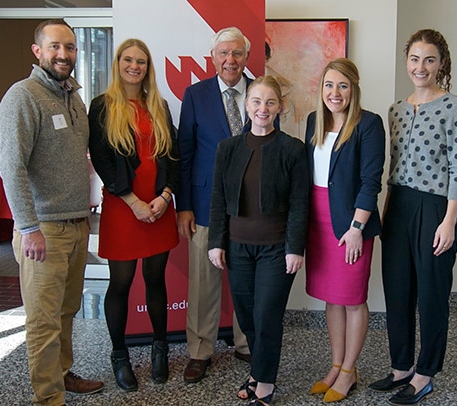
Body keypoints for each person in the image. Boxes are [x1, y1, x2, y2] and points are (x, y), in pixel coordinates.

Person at [0, 19, 103, 405]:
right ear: (37, 50)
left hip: (76, 225)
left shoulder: (72, 96)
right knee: (42, 321)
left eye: (70, 48)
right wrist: (28, 227)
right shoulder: (22, 96)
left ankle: (62, 374)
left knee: (66, 311)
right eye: (56, 47)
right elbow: (12, 167)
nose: (64, 54)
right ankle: (48, 397)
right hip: (43, 230)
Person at [368, 29, 457, 406]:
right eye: (414, 59)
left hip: (435, 208)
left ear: (441, 63)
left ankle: (425, 373)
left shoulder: (455, 106)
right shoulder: (396, 109)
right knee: (397, 290)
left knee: (431, 294)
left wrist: (449, 220)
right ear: (406, 62)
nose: (421, 67)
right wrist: (387, 206)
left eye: (429, 59)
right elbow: (393, 166)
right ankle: (400, 368)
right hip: (398, 207)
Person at [208, 76, 309, 405]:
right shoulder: (228, 148)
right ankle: (258, 371)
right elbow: (219, 200)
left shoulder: (293, 149)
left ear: (279, 107)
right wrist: (216, 242)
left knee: (267, 316)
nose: (262, 109)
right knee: (248, 315)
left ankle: (264, 381)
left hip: (276, 251)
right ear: (246, 105)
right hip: (237, 249)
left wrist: (295, 248)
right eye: (256, 102)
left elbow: (299, 204)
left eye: (269, 102)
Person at [88, 39, 179, 391]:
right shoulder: (102, 106)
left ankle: (160, 350)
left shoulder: (158, 105)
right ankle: (119, 356)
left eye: (141, 61)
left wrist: (165, 196)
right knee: (121, 284)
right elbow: (102, 158)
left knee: (156, 281)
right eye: (128, 60)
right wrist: (133, 202)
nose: (134, 66)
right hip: (123, 209)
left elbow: (173, 155)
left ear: (147, 67)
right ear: (118, 63)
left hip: (158, 208)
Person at [304, 58, 385, 403]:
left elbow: (371, 182)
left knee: (352, 299)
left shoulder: (369, 124)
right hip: (317, 221)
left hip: (350, 223)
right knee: (331, 298)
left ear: (353, 89)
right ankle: (336, 364)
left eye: (342, 86)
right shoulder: (313, 121)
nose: (334, 93)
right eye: (329, 85)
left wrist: (356, 228)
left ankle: (350, 371)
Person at [176, 26, 253, 383]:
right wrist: (184, 206)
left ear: (246, 58)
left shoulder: (262, 92)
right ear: (213, 57)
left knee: (247, 278)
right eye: (223, 53)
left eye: (237, 53)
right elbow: (185, 153)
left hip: (251, 208)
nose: (230, 60)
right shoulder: (195, 95)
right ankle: (200, 350)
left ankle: (245, 342)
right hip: (205, 203)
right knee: (204, 281)